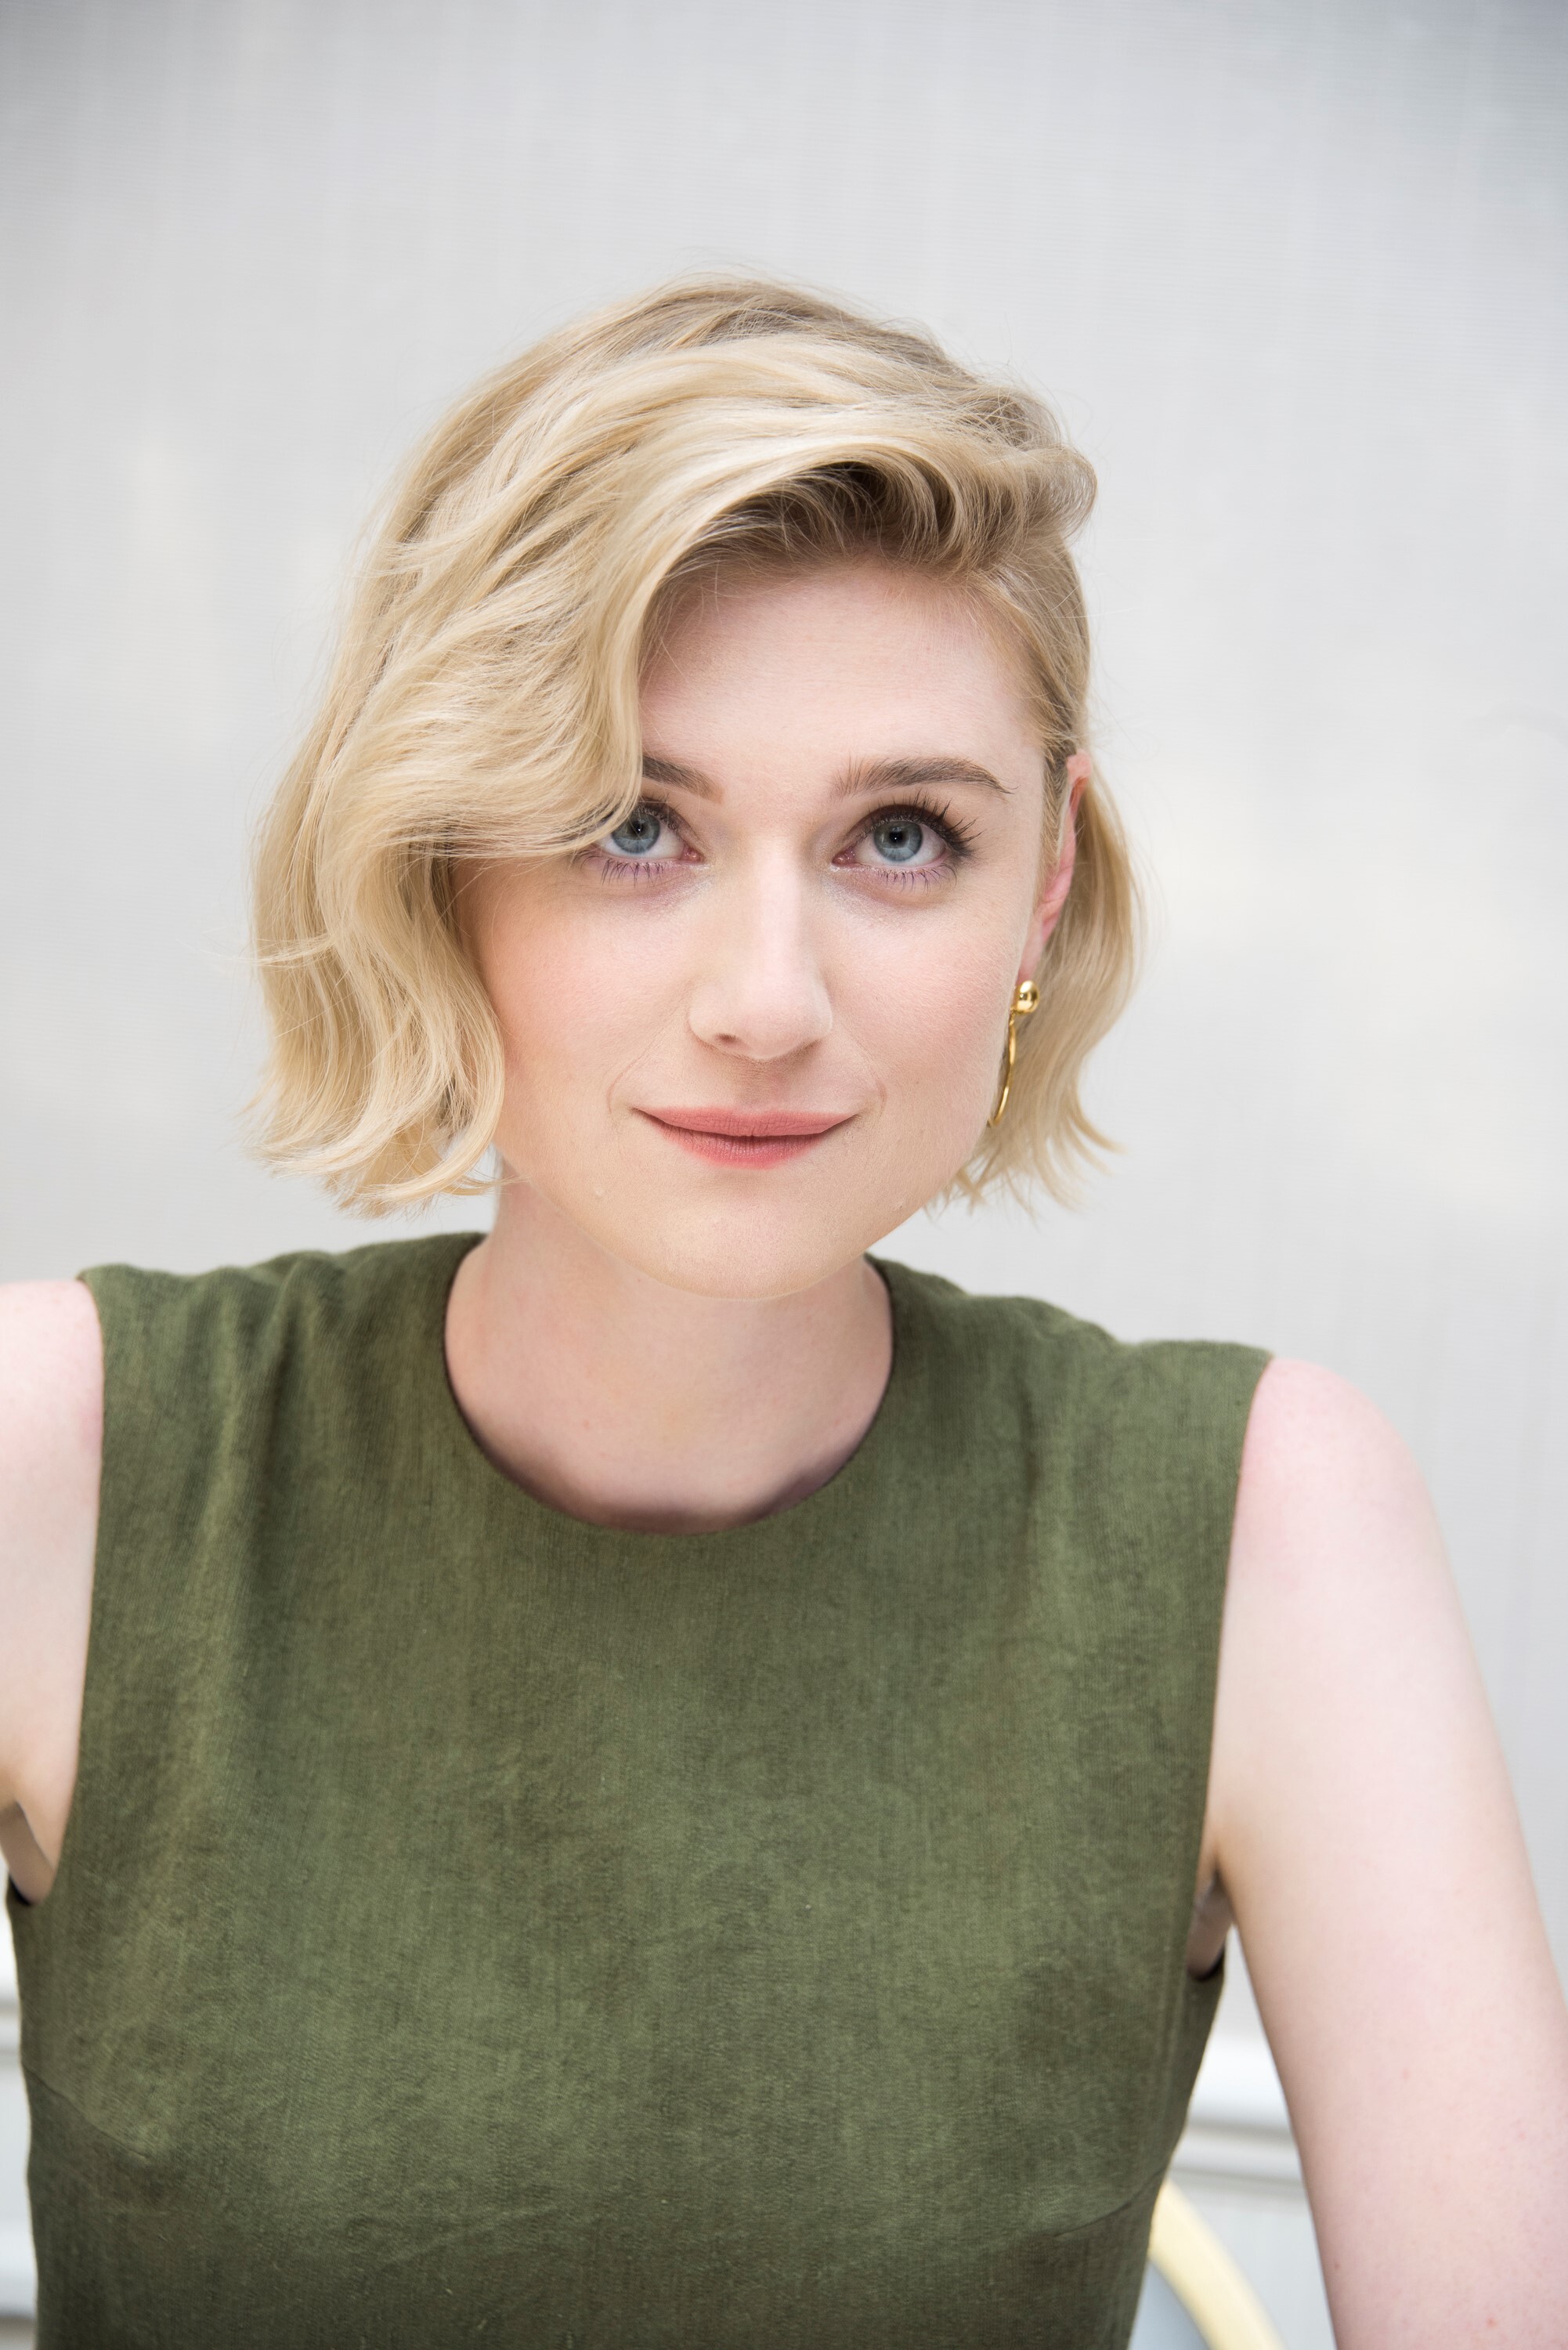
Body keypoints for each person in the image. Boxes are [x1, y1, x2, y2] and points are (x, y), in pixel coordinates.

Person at [1, 278, 1564, 2350]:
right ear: (440, 862)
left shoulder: (1269, 1526)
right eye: (629, 827)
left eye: (899, 838)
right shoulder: (66, 1458)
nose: (765, 999)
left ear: (1042, 886)